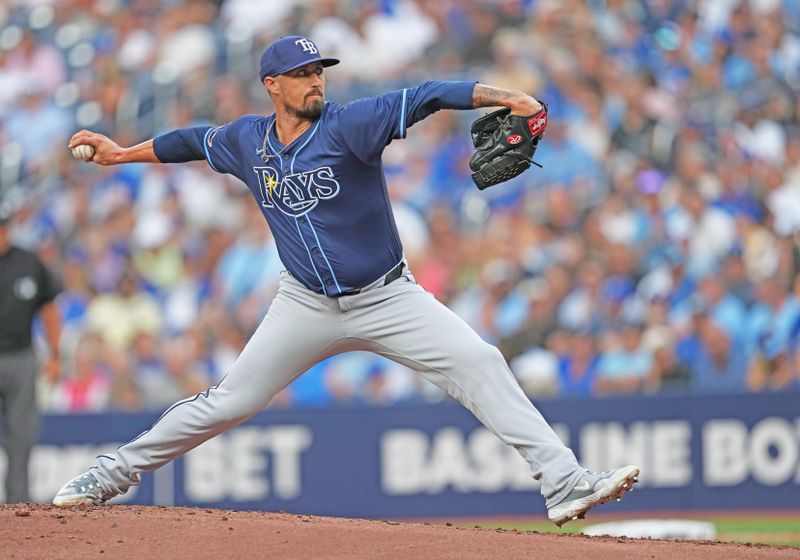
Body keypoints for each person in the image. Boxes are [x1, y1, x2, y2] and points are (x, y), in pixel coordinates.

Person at [53, 35, 639, 526]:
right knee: (229, 401)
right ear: (272, 86)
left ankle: (564, 482)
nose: (315, 81)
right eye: (300, 73)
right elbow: (191, 141)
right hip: (303, 304)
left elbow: (430, 94)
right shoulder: (246, 141)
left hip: (387, 296)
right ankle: (111, 473)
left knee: (480, 362)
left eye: (318, 71)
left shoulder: (352, 124)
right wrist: (122, 154)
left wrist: (508, 96)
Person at [0, 206, 62, 503]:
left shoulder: (28, 262)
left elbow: (49, 310)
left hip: (21, 357)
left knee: (20, 435)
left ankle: (17, 503)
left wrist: (54, 355)